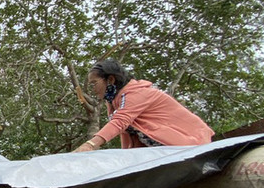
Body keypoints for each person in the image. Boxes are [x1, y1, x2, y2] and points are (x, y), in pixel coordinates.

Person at [73, 58, 214, 152]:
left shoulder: (136, 93)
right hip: (167, 149)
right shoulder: (114, 102)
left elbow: (120, 122)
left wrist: (90, 145)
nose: (92, 89)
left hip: (191, 143)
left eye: (94, 83)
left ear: (110, 79)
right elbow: (127, 133)